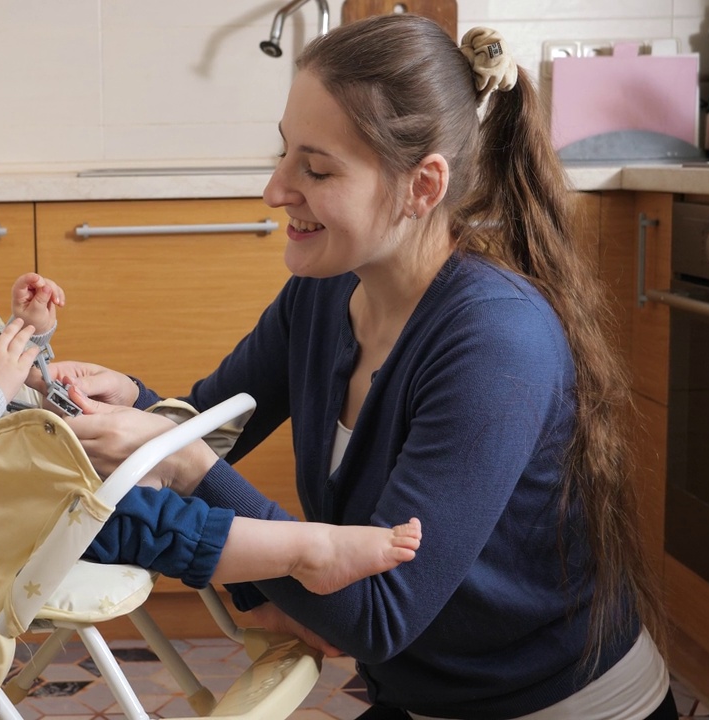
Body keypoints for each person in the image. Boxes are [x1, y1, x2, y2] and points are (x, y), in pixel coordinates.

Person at [51, 15, 677, 720]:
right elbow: (215, 428)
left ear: (422, 186)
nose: (275, 189)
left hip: (551, 706)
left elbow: (379, 615)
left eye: (316, 169)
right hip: (421, 693)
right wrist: (136, 402)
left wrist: (186, 464)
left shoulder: (496, 340)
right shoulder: (322, 295)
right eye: (284, 153)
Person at [0, 120, 421, 597]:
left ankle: (267, 586)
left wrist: (29, 334)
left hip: (13, 460)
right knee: (136, 518)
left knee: (153, 456)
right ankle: (304, 554)